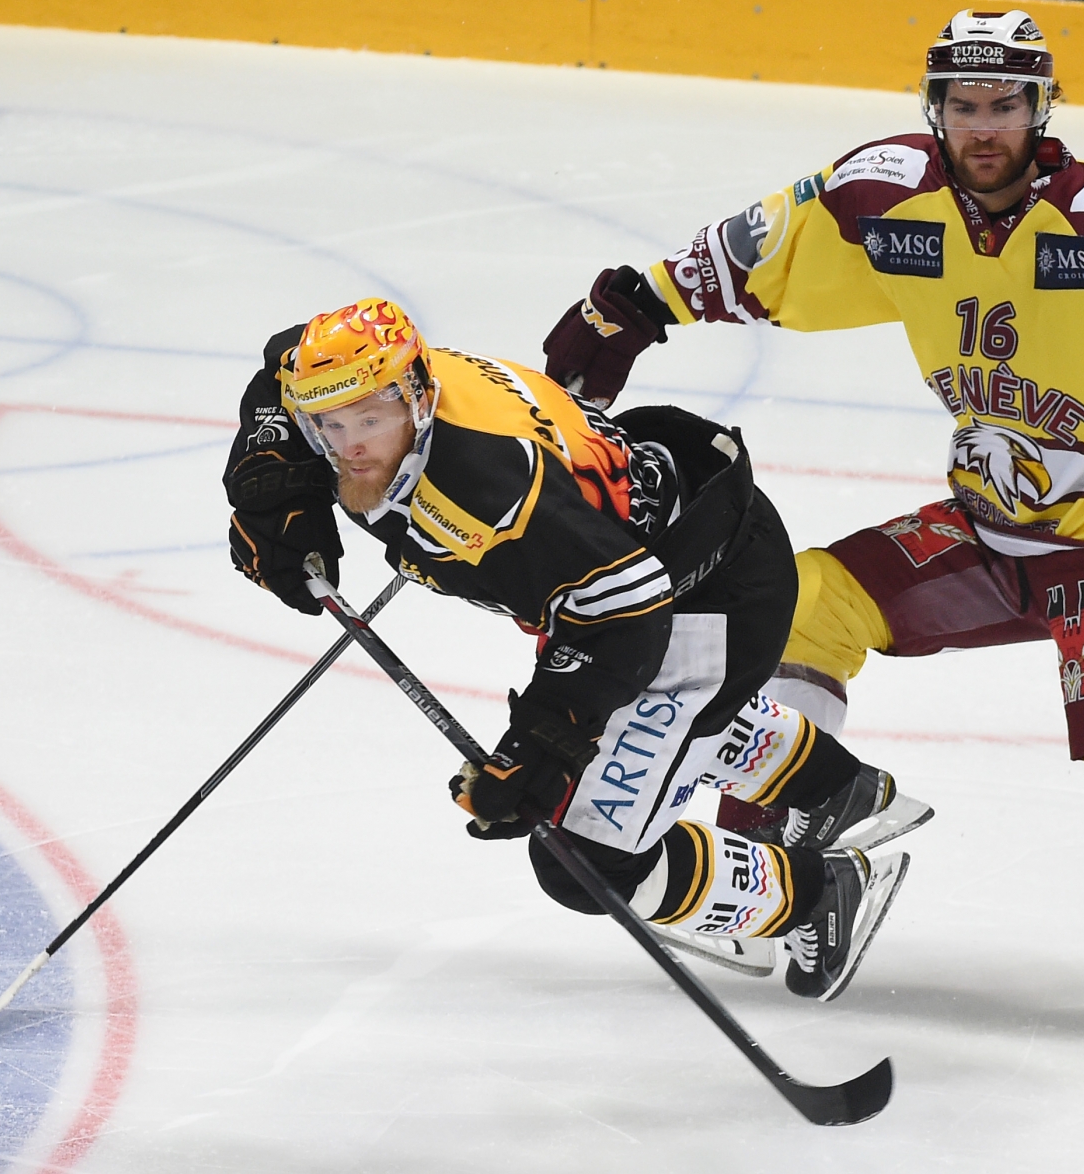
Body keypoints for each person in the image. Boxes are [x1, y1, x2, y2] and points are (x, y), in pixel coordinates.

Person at [540, 9, 1084, 1054]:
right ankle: (775, 861)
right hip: (990, 529)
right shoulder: (887, 199)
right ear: (933, 108)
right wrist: (627, 307)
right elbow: (760, 245)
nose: (982, 125)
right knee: (801, 605)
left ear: (1042, 109)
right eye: (962, 104)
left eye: (1005, 104)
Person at [222, 298, 930, 1000]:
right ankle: (834, 786)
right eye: (329, 424)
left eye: (368, 420)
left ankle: (817, 893)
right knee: (651, 722)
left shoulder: (489, 489)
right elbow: (279, 375)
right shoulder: (374, 381)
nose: (348, 445)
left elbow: (625, 623)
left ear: (415, 392)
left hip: (699, 600)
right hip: (654, 546)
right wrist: (270, 493)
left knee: (585, 860)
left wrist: (540, 751)